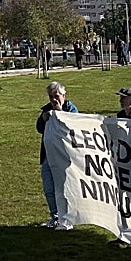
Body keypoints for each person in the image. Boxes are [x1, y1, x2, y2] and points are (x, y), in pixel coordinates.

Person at [37, 81, 78, 229]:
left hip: (64, 156)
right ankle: (55, 217)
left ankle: (67, 218)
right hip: (48, 155)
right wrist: (43, 118)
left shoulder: (71, 109)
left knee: (64, 188)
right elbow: (39, 128)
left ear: (63, 95)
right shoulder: (47, 110)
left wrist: (60, 112)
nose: (54, 100)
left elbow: (74, 127)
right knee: (49, 188)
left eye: (56, 96)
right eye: (50, 97)